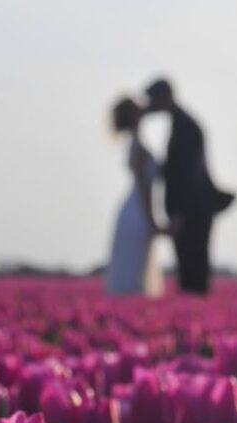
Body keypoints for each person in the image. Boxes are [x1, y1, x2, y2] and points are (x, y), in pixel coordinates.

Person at [145, 78, 236, 295]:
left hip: (193, 212)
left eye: (152, 99)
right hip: (194, 209)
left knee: (193, 272)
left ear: (164, 97)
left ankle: (198, 323)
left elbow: (187, 175)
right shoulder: (181, 122)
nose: (149, 105)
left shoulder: (185, 126)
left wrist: (178, 213)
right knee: (190, 271)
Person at [105, 97, 165, 297]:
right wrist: (153, 221)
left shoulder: (135, 146)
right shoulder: (138, 148)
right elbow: (144, 188)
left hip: (132, 211)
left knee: (132, 267)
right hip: (138, 212)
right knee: (135, 269)